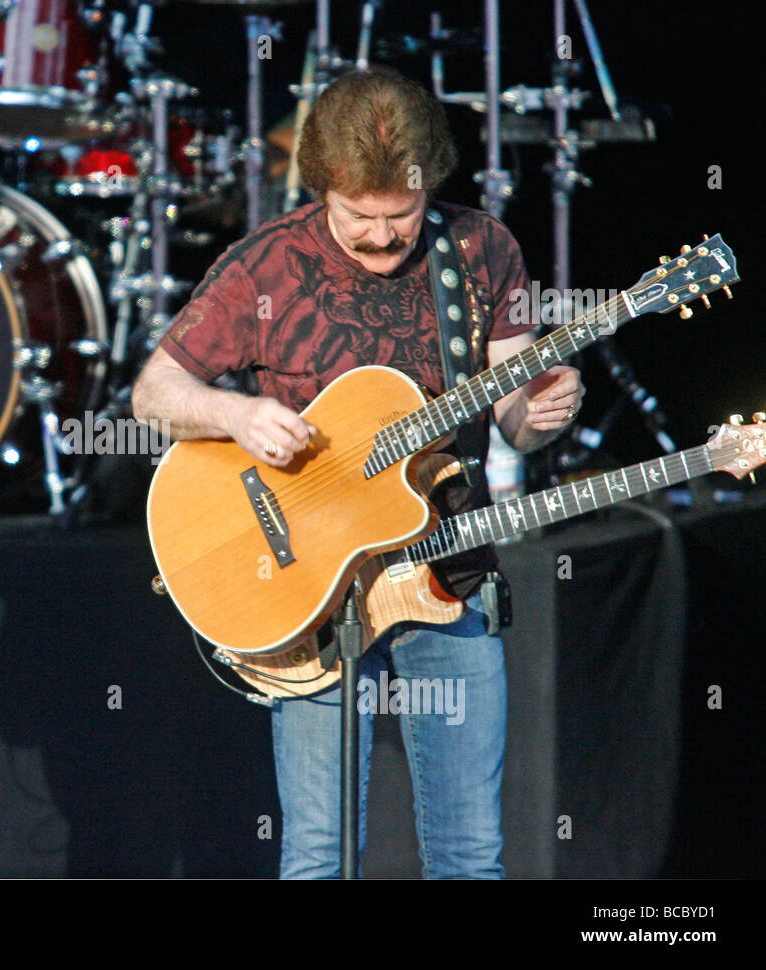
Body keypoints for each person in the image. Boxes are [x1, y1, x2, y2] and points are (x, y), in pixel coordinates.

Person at [132, 66, 584, 878]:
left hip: (446, 575)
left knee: (470, 857)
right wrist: (238, 416)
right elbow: (154, 396)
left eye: (400, 216)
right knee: (318, 855)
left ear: (429, 187)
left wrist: (542, 414)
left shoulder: (483, 249)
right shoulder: (264, 265)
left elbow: (517, 417)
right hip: (313, 595)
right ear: (322, 191)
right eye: (358, 218)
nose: (381, 237)